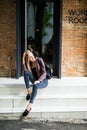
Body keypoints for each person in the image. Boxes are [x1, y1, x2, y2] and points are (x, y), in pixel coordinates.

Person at [22, 50, 48, 117]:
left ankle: (29, 106)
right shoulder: (30, 64)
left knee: (35, 86)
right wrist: (23, 59)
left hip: (43, 81)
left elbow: (44, 73)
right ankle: (29, 92)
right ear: (28, 60)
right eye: (30, 58)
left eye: (32, 56)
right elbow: (25, 70)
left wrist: (39, 80)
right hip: (35, 80)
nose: (32, 58)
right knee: (25, 72)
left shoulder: (39, 60)